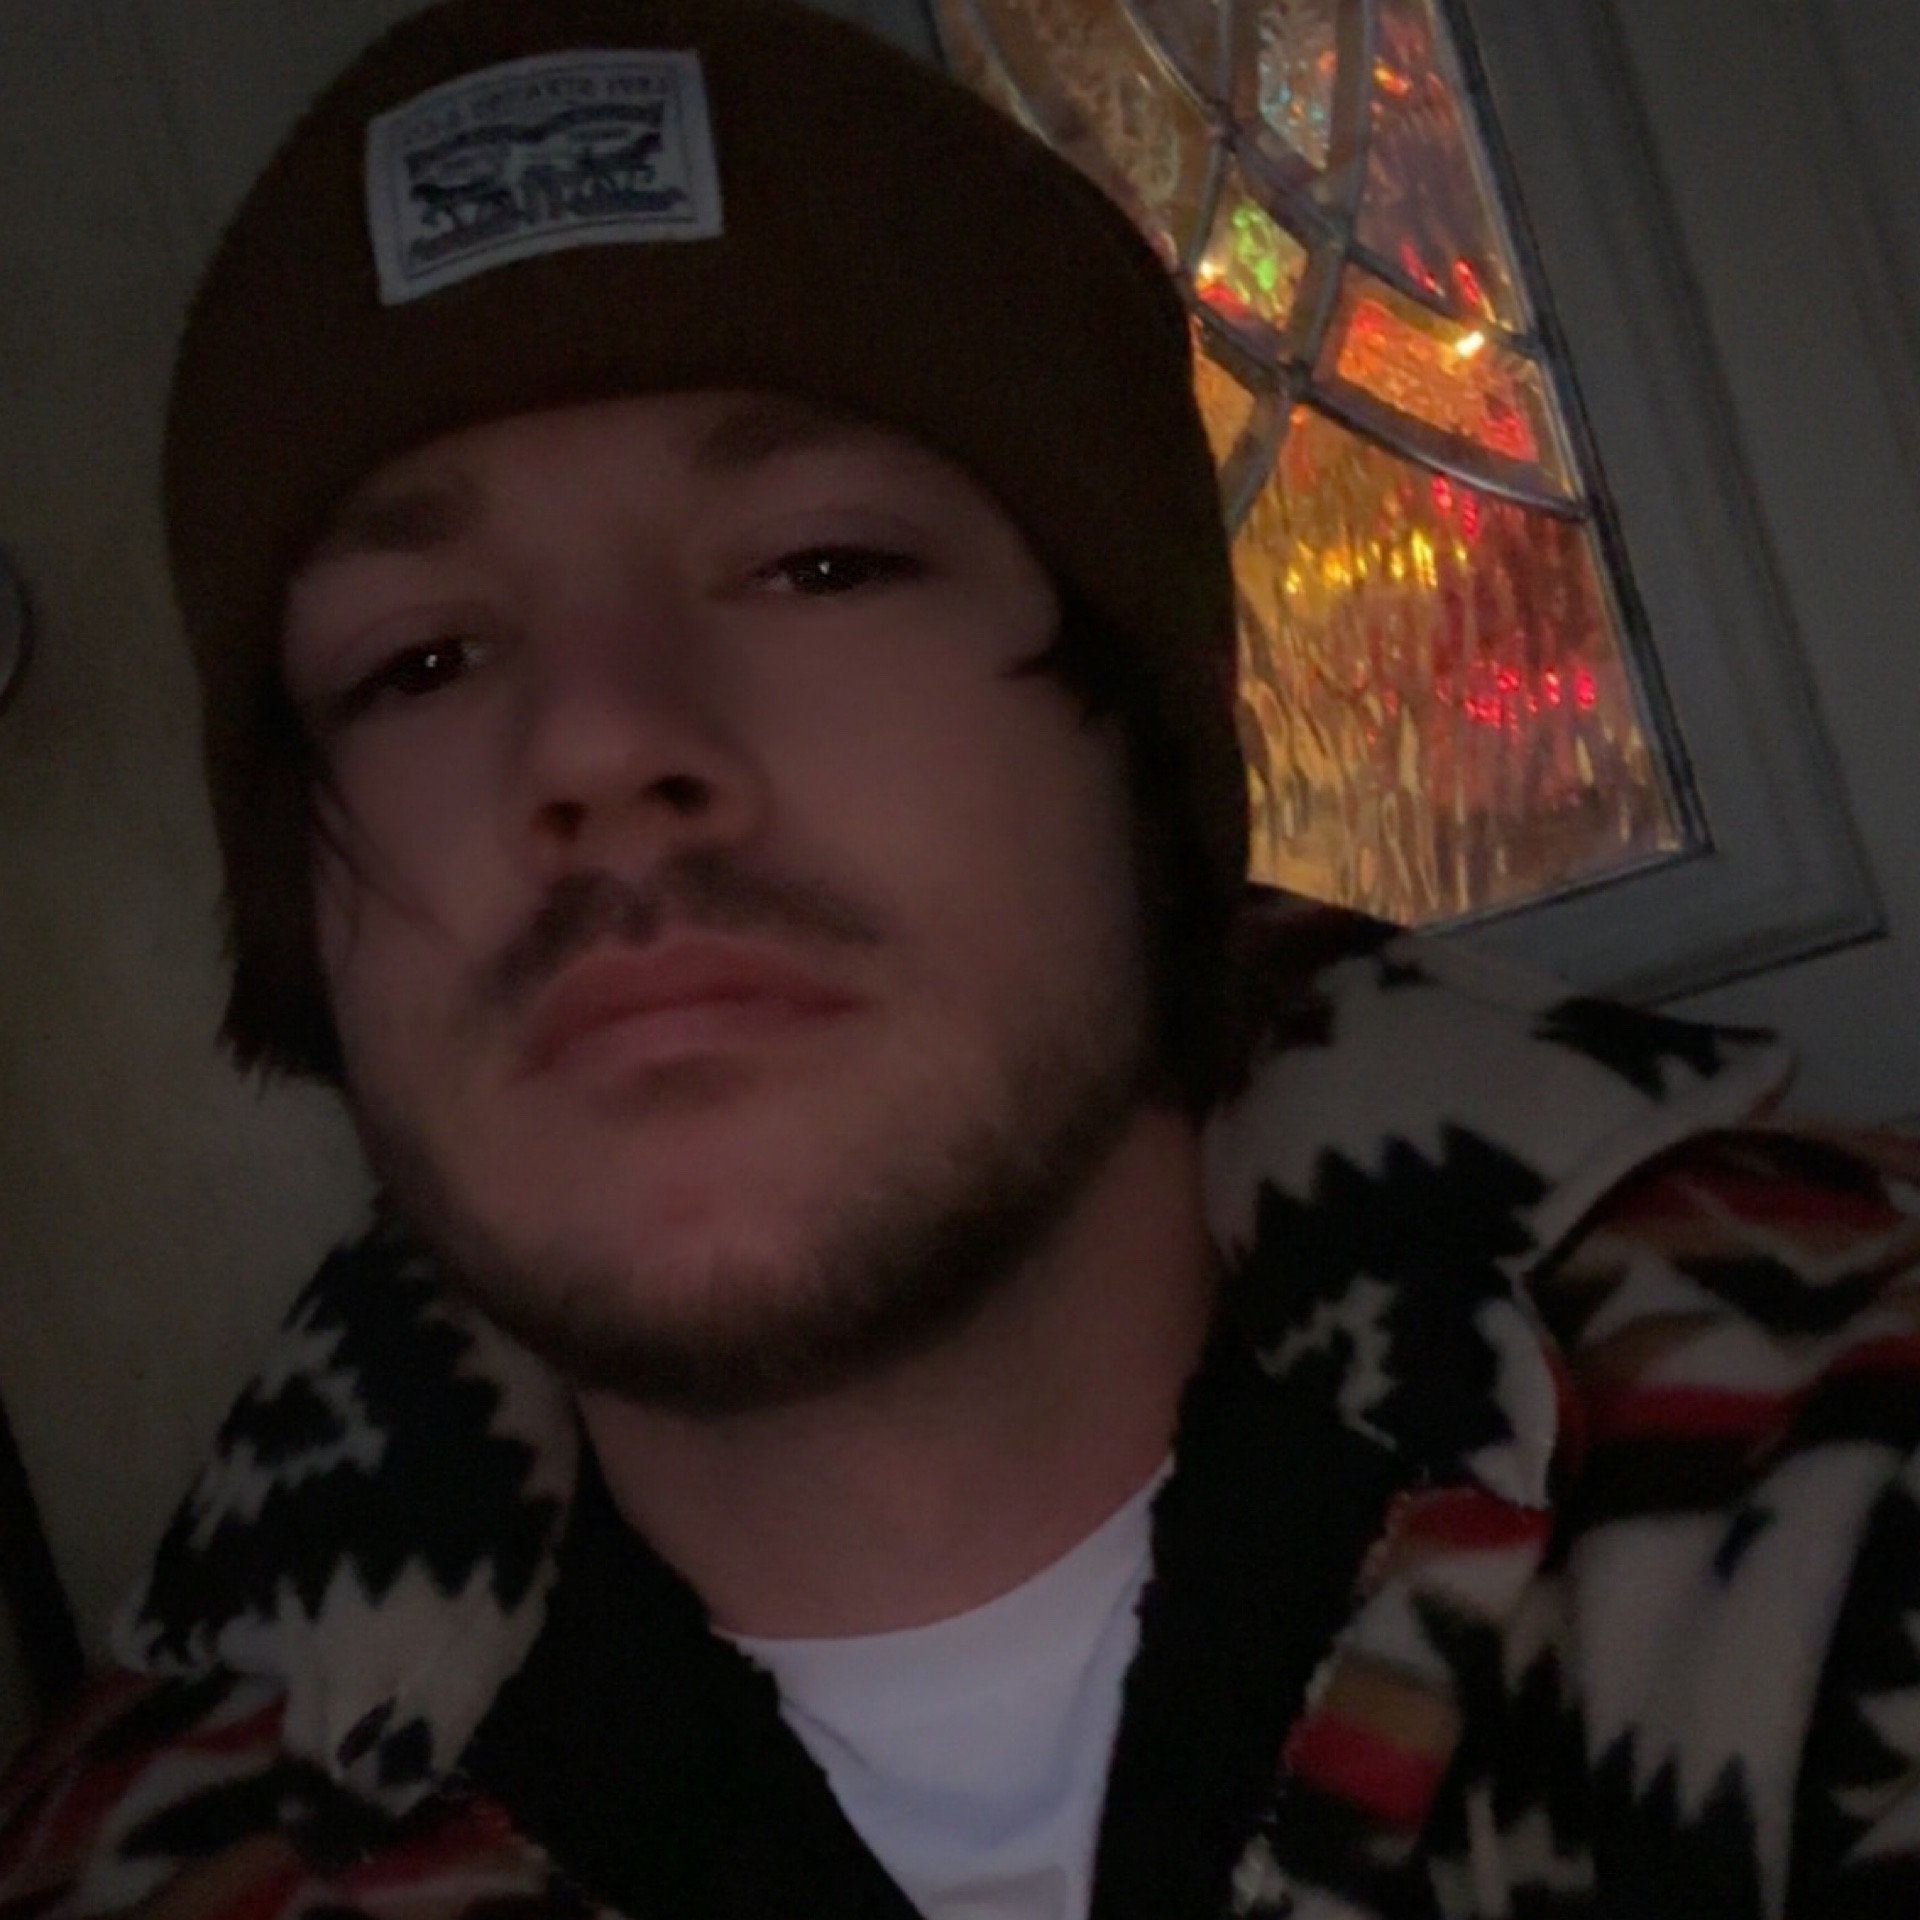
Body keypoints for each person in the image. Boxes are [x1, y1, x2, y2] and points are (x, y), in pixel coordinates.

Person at [4, 0, 1920, 1915]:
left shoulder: (1854, 1478)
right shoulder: (139, 1866)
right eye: (416, 661)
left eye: (820, 565)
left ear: (1142, 743)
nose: (593, 741)